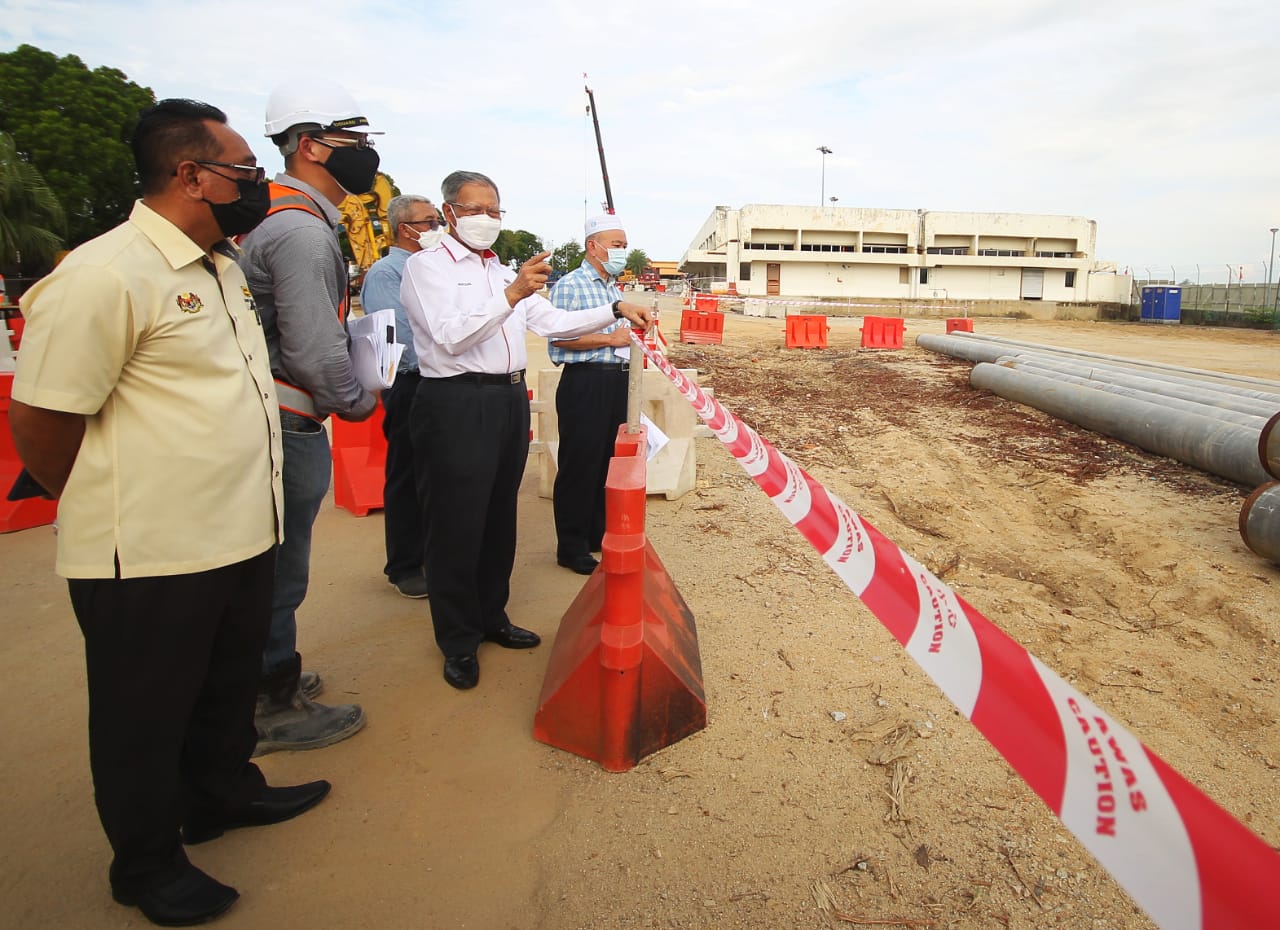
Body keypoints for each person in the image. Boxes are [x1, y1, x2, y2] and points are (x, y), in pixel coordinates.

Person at [8, 98, 331, 927]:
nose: (258, 184)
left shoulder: (219, 262)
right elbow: (44, 422)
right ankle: (146, 864)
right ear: (190, 174)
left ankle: (223, 795)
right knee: (142, 716)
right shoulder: (103, 274)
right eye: (244, 171)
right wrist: (115, 502)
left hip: (238, 533)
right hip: (149, 552)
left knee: (223, 690)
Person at [400, 170, 652, 690]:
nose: (486, 221)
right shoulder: (427, 269)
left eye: (495, 211)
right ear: (449, 213)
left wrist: (613, 309)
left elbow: (552, 322)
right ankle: (458, 638)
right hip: (456, 402)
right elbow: (450, 337)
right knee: (456, 524)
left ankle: (493, 616)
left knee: (497, 517)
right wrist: (511, 294)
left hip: (507, 398)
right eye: (475, 210)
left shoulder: (500, 271)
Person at [237, 78, 380, 754]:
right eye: (349, 142)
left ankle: (267, 676)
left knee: (268, 567)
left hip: (272, 415)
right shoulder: (298, 231)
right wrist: (356, 398)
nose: (363, 156)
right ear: (309, 146)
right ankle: (269, 704)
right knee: (277, 572)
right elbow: (315, 346)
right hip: (286, 420)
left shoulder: (284, 217)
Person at [359, 194, 443, 599]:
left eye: (437, 220)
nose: (436, 228)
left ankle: (433, 554)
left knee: (438, 476)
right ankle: (405, 565)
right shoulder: (386, 273)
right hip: (411, 383)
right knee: (408, 475)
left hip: (441, 382)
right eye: (427, 222)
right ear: (403, 229)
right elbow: (399, 335)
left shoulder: (435, 268)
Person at [548, 214, 634, 575]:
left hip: (617, 380)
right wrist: (608, 340)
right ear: (593, 247)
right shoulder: (571, 285)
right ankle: (571, 545)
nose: (622, 252)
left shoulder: (613, 288)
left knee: (605, 462)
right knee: (580, 464)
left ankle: (596, 533)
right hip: (586, 382)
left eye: (624, 245)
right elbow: (558, 336)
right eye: (616, 245)